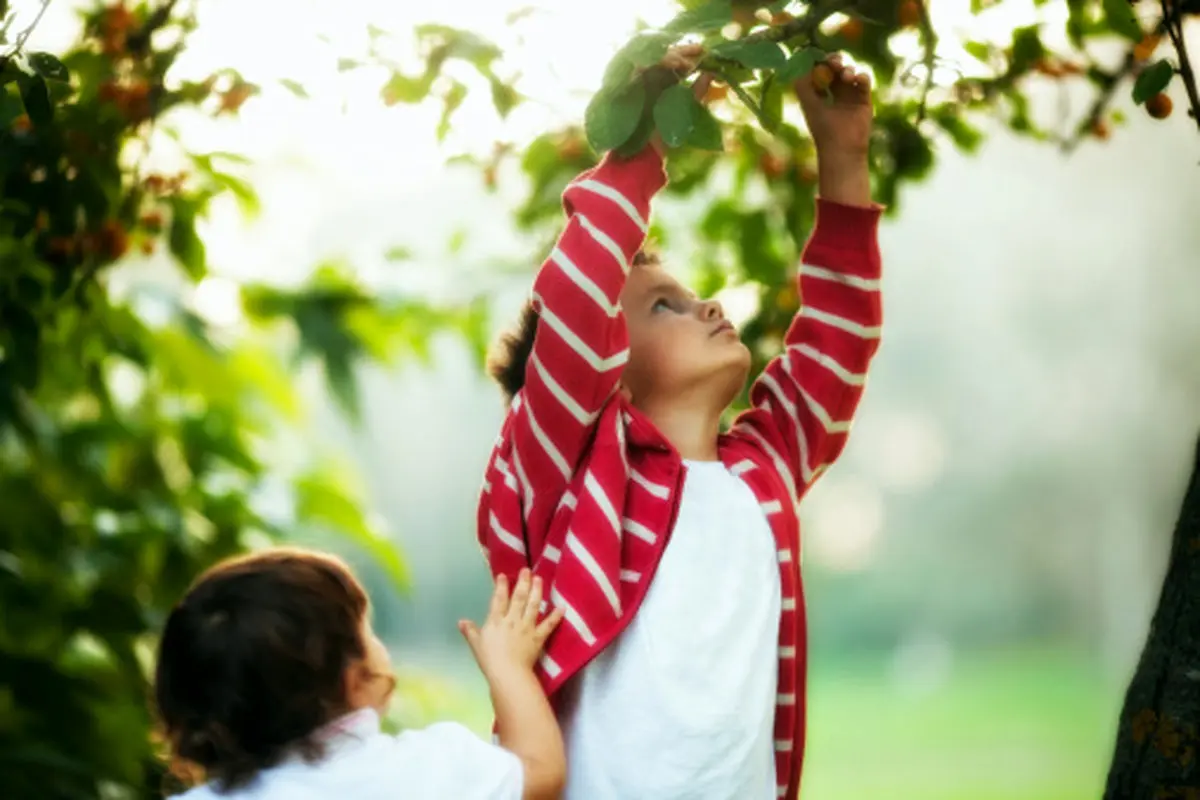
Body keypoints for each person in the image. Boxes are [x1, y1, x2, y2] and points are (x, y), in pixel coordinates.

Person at [478, 45, 881, 799]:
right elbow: (576, 291)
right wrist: (651, 131)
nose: (709, 307)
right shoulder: (572, 469)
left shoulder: (763, 470)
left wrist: (844, 158)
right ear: (601, 362)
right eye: (664, 305)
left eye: (693, 297)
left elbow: (838, 341)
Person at [154, 547, 566, 800]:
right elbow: (540, 772)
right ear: (354, 680)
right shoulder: (423, 773)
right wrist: (508, 667)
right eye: (367, 629)